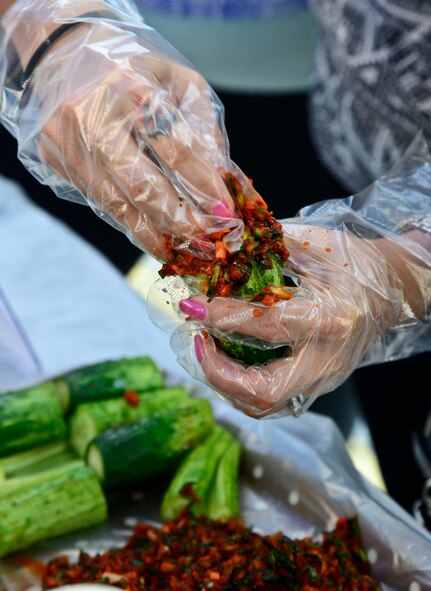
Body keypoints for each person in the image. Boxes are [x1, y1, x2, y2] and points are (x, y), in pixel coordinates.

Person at [0, 0, 430, 515]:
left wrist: (401, 272)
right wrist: (55, 27)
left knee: (382, 429)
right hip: (341, 130)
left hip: (300, 103)